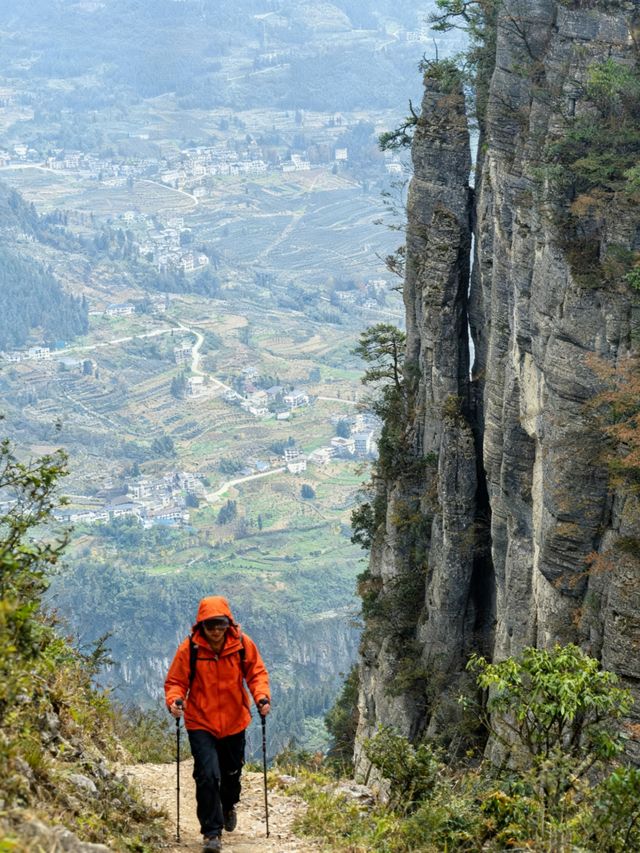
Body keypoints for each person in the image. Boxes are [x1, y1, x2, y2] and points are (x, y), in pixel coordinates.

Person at [165, 595, 271, 852]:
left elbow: (256, 673)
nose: (215, 630)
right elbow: (176, 681)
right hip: (201, 721)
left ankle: (229, 804)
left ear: (229, 624)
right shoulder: (190, 649)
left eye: (220, 624)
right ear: (201, 625)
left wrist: (261, 697)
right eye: (209, 625)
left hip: (235, 720)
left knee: (232, 773)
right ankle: (212, 833)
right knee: (207, 776)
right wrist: (175, 700)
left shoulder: (242, 645)